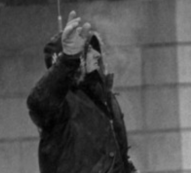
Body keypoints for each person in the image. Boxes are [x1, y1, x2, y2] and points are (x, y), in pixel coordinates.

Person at [27, 10, 137, 173]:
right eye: (88, 50)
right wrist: (68, 59)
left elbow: (119, 157)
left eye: (95, 48)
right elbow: (38, 103)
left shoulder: (105, 98)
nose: (97, 54)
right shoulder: (59, 105)